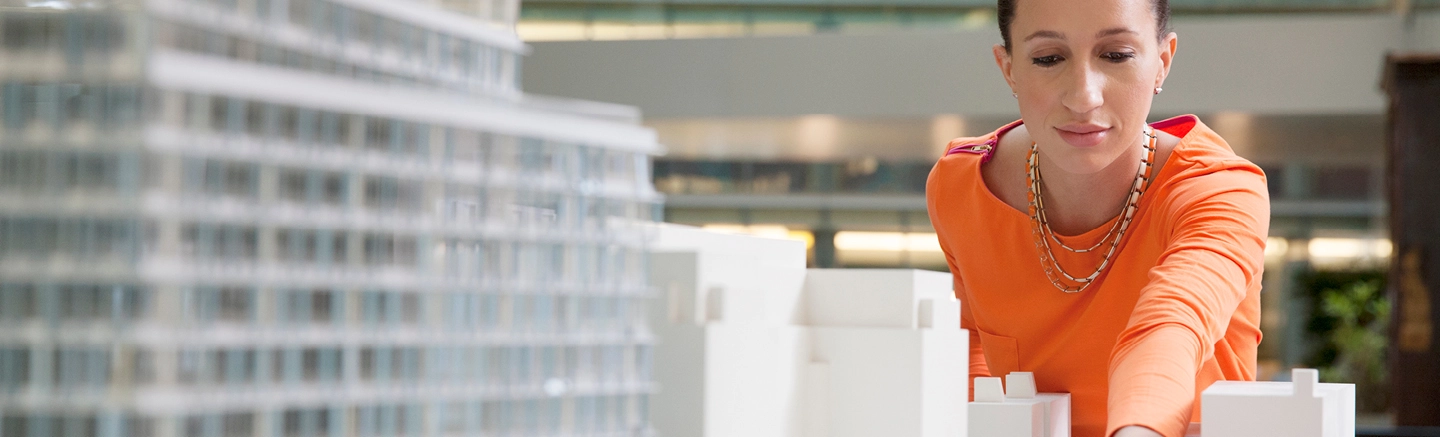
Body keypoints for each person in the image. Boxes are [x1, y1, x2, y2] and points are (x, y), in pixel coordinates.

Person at [924, 0, 1268, 436]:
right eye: (1048, 58)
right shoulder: (961, 186)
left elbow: (1171, 326)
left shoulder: (1220, 190)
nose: (1084, 97)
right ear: (1009, 68)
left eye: (1116, 55)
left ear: (1162, 62)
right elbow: (972, 346)